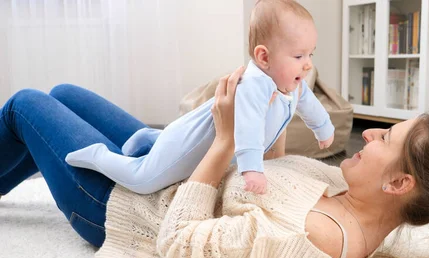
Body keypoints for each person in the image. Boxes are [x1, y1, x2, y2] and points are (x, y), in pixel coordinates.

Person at [0, 66, 429, 258]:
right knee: (63, 95)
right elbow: (268, 180)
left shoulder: (306, 240)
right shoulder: (358, 200)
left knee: (25, 106)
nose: (369, 133)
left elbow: (180, 241)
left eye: (385, 137)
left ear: (399, 182)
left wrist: (222, 143)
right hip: (161, 171)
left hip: (124, 207)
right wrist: (269, 111)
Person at [64, 0, 335, 195]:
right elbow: (249, 129)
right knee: (143, 179)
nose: (308, 64)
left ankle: (148, 136)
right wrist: (252, 169)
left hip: (190, 135)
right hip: (186, 143)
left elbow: (309, 103)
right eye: (299, 56)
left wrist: (323, 128)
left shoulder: (291, 83)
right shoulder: (255, 85)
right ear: (264, 57)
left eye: (311, 54)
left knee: (167, 145)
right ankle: (99, 155)